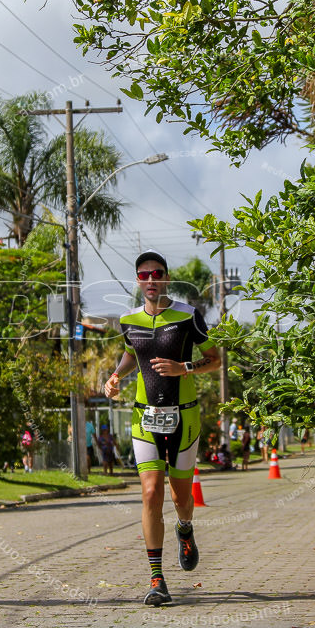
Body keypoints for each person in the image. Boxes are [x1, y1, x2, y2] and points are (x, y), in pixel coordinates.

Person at [103, 250, 221, 606]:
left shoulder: (188, 316)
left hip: (183, 417)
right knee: (151, 493)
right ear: (138, 281)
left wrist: (183, 368)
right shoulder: (128, 319)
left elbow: (214, 361)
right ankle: (157, 579)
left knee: (180, 497)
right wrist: (115, 376)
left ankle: (185, 529)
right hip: (145, 417)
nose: (151, 280)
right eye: (144, 275)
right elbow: (131, 354)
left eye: (157, 274)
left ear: (167, 277)